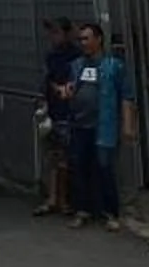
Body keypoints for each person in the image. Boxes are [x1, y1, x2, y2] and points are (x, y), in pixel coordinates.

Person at [67, 19, 137, 228]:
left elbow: (126, 97)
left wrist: (127, 125)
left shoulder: (113, 66)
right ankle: (82, 209)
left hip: (104, 125)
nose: (83, 43)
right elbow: (72, 89)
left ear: (99, 40)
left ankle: (111, 212)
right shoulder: (77, 66)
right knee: (80, 167)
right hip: (81, 124)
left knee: (105, 168)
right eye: (81, 39)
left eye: (87, 38)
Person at [33, 19, 81, 218]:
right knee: (54, 157)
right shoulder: (51, 57)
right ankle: (53, 198)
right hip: (52, 111)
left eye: (57, 33)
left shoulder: (75, 57)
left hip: (68, 111)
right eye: (51, 33)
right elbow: (46, 81)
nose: (53, 37)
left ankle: (63, 199)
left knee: (65, 159)